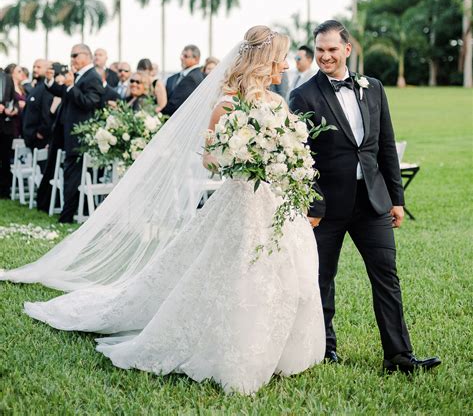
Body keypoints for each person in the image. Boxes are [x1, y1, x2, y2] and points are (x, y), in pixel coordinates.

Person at [2, 26, 325, 395]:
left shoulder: (278, 104)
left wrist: (284, 160)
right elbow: (208, 160)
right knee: (234, 274)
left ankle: (279, 349)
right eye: (279, 57)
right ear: (262, 61)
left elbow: (292, 152)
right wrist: (240, 157)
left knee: (283, 274)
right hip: (240, 203)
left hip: (276, 204)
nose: (284, 64)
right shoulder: (226, 106)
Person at [289, 20, 440, 374]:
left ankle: (399, 355)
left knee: (386, 275)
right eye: (319, 50)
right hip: (326, 206)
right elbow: (300, 157)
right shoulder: (304, 95)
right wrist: (313, 204)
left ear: (347, 49)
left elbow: (385, 145)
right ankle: (325, 349)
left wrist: (396, 199)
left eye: (331, 49)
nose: (324, 56)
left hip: (373, 201)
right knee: (322, 278)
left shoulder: (372, 87)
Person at [45, 44, 104, 223]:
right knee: (69, 172)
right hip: (67, 133)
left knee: (72, 174)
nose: (71, 59)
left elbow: (89, 103)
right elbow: (64, 92)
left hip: (79, 135)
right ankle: (66, 213)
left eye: (75, 55)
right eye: (71, 55)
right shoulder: (79, 76)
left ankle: (67, 216)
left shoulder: (93, 77)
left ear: (87, 55)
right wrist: (50, 81)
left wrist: (71, 87)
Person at [22, 59, 55, 151]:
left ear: (47, 69)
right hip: (31, 138)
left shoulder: (46, 88)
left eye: (39, 67)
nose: (35, 69)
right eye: (34, 67)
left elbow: (47, 112)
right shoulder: (36, 88)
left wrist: (41, 132)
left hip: (40, 140)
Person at [163, 45, 204, 116]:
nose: (181, 58)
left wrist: (159, 111)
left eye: (185, 56)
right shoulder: (181, 76)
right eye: (182, 55)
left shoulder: (192, 78)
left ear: (196, 59)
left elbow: (176, 105)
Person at [0, 69, 17, 198]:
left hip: (5, 125)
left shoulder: (7, 77)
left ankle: (5, 191)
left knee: (5, 159)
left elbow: (13, 99)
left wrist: (14, 109)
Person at [4, 64, 27, 138]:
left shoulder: (23, 88)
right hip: (12, 123)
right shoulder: (6, 88)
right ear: (12, 73)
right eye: (19, 71)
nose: (22, 73)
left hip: (22, 121)